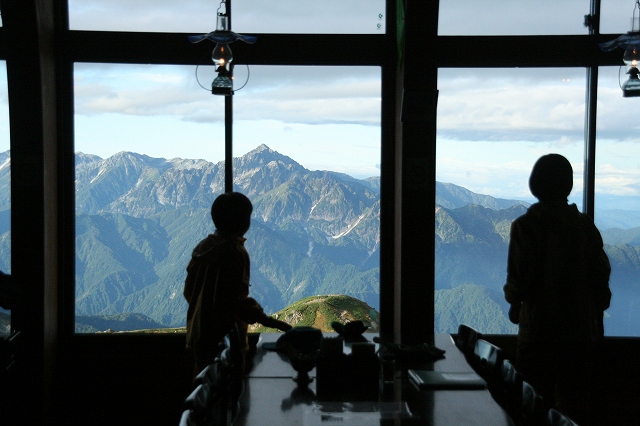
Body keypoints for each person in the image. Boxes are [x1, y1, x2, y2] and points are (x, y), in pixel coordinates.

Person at [503, 154, 611, 424]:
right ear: (568, 185)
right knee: (574, 409)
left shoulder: (525, 228)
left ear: (535, 184)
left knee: (532, 407)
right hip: (580, 335)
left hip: (537, 333)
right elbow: (601, 276)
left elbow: (518, 283)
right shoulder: (585, 227)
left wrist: (515, 304)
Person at [184, 192, 291, 376]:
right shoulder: (235, 253)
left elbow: (189, 291)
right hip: (227, 337)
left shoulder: (202, 248)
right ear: (243, 222)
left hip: (198, 333)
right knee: (230, 388)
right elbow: (236, 300)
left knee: (205, 384)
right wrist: (270, 321)